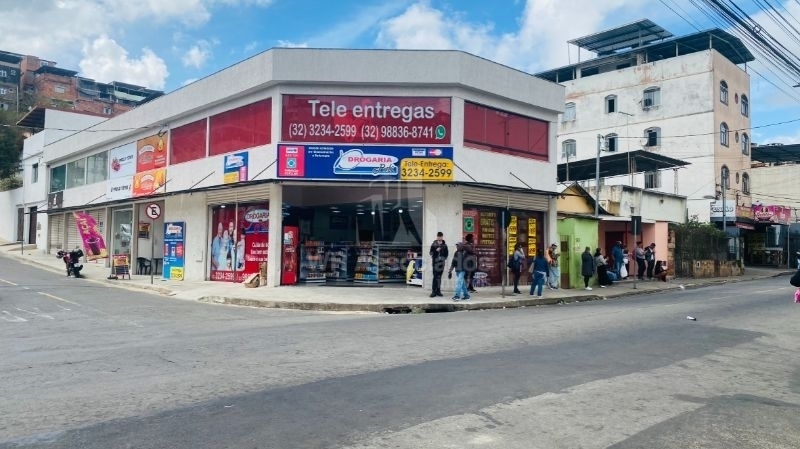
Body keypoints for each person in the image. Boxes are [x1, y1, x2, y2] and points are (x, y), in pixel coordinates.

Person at [428, 231, 449, 298]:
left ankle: (438, 291)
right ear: (437, 237)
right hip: (435, 263)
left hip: (441, 263)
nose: (439, 238)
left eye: (441, 236)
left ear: (442, 237)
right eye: (438, 236)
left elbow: (447, 253)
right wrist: (435, 251)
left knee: (439, 277)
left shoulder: (444, 245)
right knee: (435, 277)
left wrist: (444, 258)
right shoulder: (433, 244)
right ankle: (433, 291)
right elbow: (430, 253)